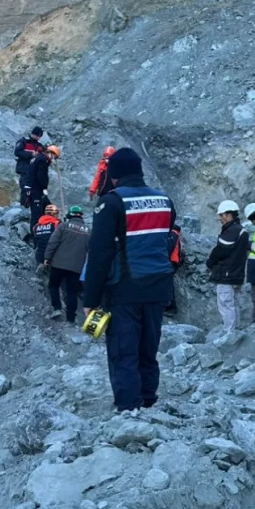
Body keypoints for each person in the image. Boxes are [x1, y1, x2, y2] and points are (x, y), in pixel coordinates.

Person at [82, 147, 176, 412]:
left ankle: (129, 408)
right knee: (148, 349)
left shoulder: (111, 202)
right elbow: (166, 238)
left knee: (124, 351)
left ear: (114, 176)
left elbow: (99, 253)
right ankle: (148, 399)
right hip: (158, 288)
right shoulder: (165, 201)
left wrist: (90, 298)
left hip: (124, 290)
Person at [206, 200, 247, 332]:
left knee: (226, 305)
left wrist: (210, 261)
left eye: (221, 215)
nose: (220, 218)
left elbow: (221, 250)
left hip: (226, 274)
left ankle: (228, 333)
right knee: (234, 304)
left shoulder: (232, 230)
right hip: (236, 274)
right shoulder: (241, 230)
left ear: (229, 215)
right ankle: (236, 331)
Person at [44, 205, 89, 323]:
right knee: (72, 292)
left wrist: (47, 257)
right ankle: (71, 318)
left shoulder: (63, 226)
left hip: (58, 264)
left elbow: (53, 242)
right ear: (81, 216)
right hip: (76, 267)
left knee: (53, 285)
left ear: (69, 215)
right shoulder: (89, 231)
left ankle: (57, 308)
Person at [27, 144, 60, 226]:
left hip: (36, 189)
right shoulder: (42, 160)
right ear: (51, 153)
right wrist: (44, 188)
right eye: (54, 157)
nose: (53, 159)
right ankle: (35, 231)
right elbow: (41, 176)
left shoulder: (39, 158)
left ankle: (49, 226)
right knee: (37, 213)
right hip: (36, 190)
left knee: (48, 206)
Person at [15, 127, 46, 206]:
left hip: (34, 172)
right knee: (25, 188)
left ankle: (32, 206)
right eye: (37, 135)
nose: (38, 138)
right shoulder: (24, 141)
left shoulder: (39, 146)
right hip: (24, 169)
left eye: (39, 136)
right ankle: (23, 206)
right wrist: (31, 154)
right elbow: (17, 152)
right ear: (33, 134)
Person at [166, 224, 184, 316]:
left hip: (171, 262)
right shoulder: (176, 235)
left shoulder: (173, 234)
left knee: (167, 284)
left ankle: (170, 307)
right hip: (173, 262)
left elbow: (169, 248)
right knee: (167, 284)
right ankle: (169, 306)